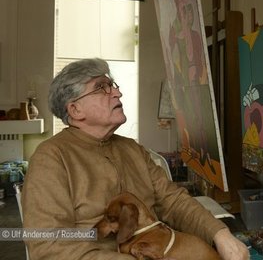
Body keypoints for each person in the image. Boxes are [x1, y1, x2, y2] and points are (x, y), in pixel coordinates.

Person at [22, 58, 249, 260]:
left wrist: (220, 234)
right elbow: (48, 246)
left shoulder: (132, 149)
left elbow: (174, 201)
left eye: (112, 85)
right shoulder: (51, 158)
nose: (117, 93)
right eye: (101, 88)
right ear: (75, 109)